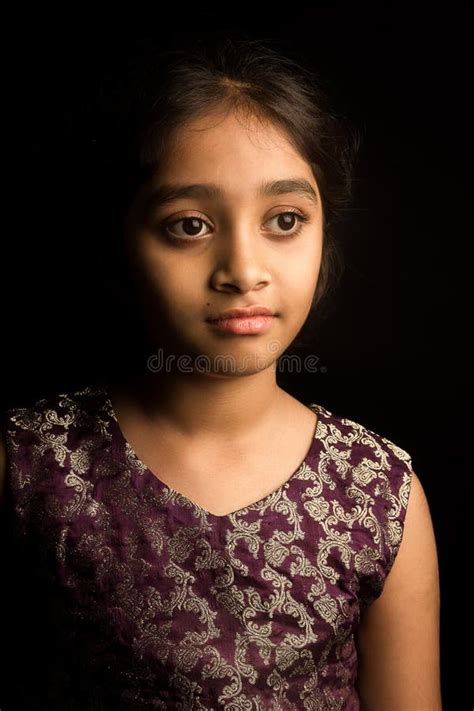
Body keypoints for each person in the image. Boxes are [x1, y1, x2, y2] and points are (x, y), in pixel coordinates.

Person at [0, 35, 441, 710]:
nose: (243, 268)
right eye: (189, 225)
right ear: (125, 236)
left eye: (285, 220)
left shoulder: (380, 493)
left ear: (325, 232)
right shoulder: (34, 464)